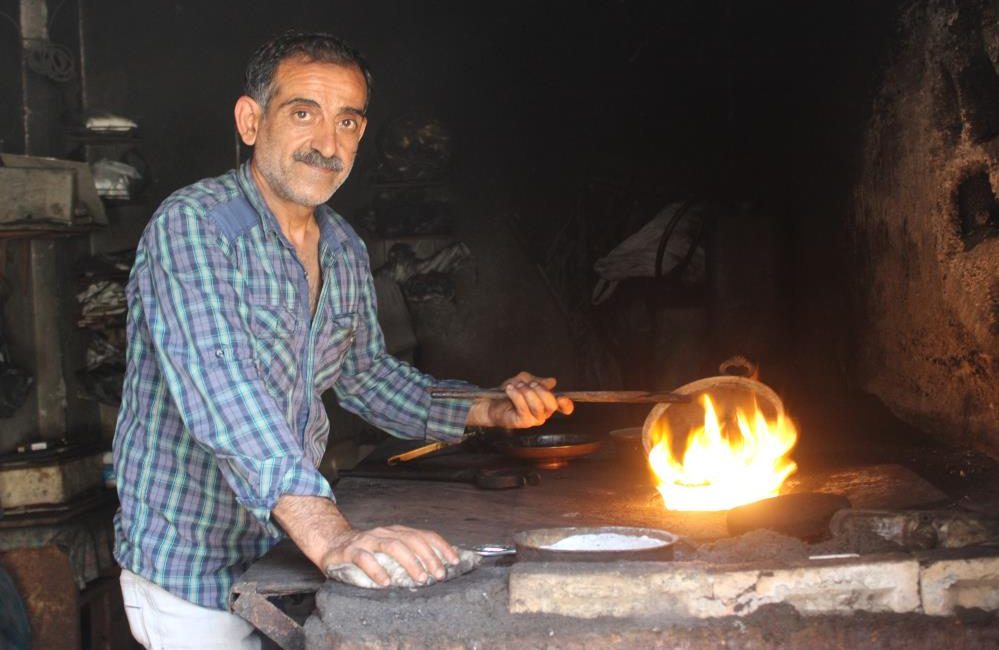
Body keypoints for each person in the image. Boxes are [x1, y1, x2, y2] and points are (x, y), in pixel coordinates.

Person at [112, 30, 574, 649]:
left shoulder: (343, 247)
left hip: (283, 553)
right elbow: (223, 390)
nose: (328, 144)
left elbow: (366, 375)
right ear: (250, 121)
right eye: (303, 113)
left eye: (348, 121)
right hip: (193, 571)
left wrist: (486, 407)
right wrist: (332, 535)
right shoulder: (194, 227)